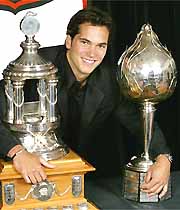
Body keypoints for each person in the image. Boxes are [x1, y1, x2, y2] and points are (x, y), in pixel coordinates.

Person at [0, 7, 171, 198]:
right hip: (22, 169)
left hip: (71, 173)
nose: (92, 53)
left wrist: (164, 158)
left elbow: (137, 122)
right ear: (68, 41)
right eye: (85, 42)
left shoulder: (108, 81)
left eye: (101, 46)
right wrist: (17, 153)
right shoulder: (36, 66)